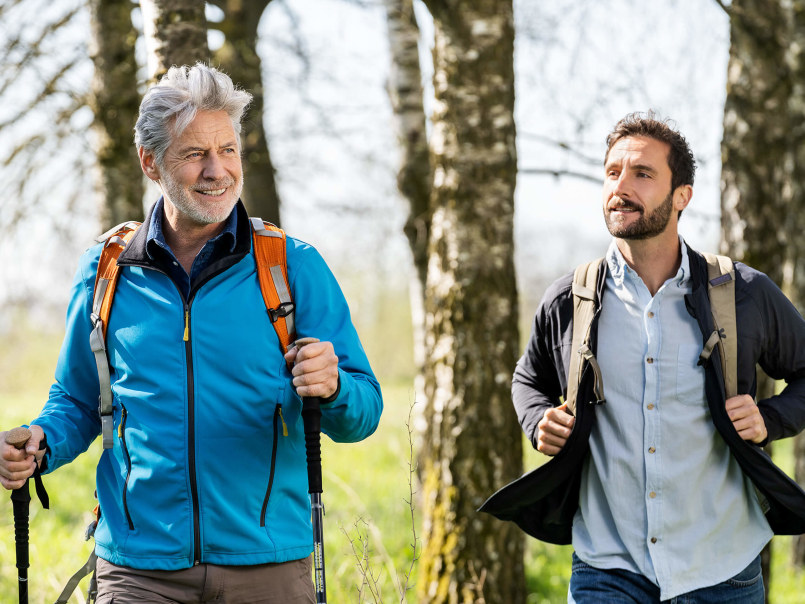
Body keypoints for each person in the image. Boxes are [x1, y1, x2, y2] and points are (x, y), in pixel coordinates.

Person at [0, 63, 383, 603]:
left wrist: (336, 387)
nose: (217, 171)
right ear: (150, 163)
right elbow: (78, 401)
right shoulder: (106, 271)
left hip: (267, 565)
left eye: (227, 150)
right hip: (138, 569)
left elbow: (364, 411)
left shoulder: (291, 267)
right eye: (194, 153)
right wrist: (40, 443)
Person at [488, 112, 805, 602]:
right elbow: (527, 379)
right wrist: (537, 421)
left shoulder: (743, 293)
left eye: (642, 173)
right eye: (612, 172)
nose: (621, 186)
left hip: (721, 568)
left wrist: (769, 418)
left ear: (682, 196)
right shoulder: (570, 299)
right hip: (606, 568)